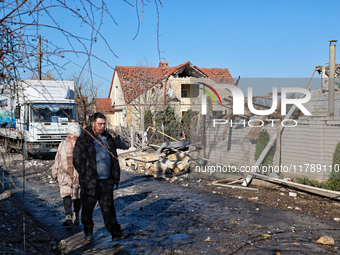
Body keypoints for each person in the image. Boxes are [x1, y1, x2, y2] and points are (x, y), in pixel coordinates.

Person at [73, 112, 125, 242]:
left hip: (106, 181)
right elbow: (77, 159)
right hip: (90, 182)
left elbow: (114, 159)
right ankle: (88, 230)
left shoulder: (108, 138)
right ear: (93, 123)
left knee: (109, 209)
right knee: (87, 210)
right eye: (100, 124)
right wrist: (85, 174)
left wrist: (115, 177)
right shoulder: (84, 138)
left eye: (104, 124)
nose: (102, 126)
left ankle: (115, 233)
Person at [52, 124, 82, 226]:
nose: (69, 135)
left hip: (78, 176)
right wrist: (55, 171)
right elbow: (58, 159)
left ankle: (76, 214)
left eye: (72, 134)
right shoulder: (63, 144)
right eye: (69, 133)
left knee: (77, 197)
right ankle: (68, 216)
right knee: (66, 196)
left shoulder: (81, 145)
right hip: (65, 174)